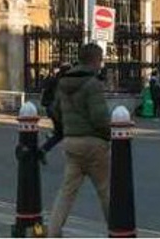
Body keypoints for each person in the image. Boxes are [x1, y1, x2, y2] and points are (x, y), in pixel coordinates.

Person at [48, 43, 111, 238]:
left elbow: (55, 110)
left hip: (71, 142)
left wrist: (66, 128)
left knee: (67, 192)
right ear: (94, 60)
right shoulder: (92, 84)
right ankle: (118, 230)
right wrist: (112, 135)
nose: (101, 64)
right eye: (100, 60)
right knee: (105, 190)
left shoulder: (64, 82)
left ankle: (53, 231)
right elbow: (100, 118)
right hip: (93, 143)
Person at [39, 63, 72, 161]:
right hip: (58, 110)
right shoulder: (62, 82)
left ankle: (43, 149)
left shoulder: (54, 79)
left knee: (59, 134)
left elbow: (43, 87)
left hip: (52, 109)